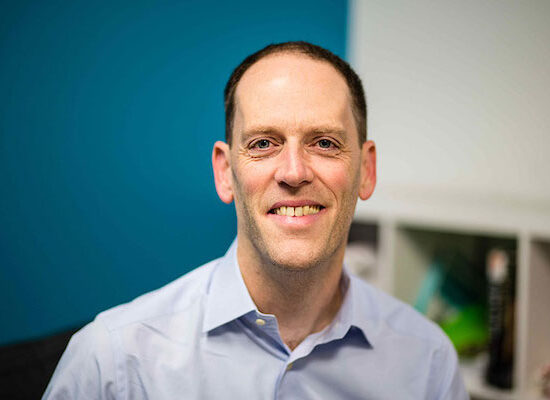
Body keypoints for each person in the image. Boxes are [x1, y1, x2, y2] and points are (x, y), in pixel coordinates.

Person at [43, 41, 468, 399]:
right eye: (264, 143)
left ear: (366, 170)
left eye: (324, 142)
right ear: (225, 172)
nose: (294, 172)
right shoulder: (114, 362)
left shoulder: (426, 362)